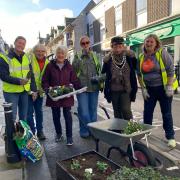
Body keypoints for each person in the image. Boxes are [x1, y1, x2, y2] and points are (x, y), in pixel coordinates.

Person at [137, 34, 178, 148]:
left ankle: (170, 137)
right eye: (147, 41)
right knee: (147, 112)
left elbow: (170, 70)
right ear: (144, 43)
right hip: (150, 90)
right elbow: (139, 74)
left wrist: (169, 86)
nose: (149, 44)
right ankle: (146, 133)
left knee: (166, 113)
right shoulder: (141, 57)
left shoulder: (162, 53)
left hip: (163, 89)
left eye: (151, 42)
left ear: (156, 44)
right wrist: (143, 89)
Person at [42, 45, 80, 145]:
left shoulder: (69, 66)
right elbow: (45, 81)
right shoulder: (50, 66)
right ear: (56, 54)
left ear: (65, 54)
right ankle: (59, 134)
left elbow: (74, 80)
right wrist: (47, 90)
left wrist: (79, 87)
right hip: (54, 96)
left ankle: (69, 137)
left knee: (68, 116)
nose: (60, 55)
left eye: (63, 53)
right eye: (59, 53)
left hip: (66, 95)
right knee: (56, 116)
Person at [0, 36, 36, 121]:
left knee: (23, 117)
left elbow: (31, 75)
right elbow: (3, 76)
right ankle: (10, 134)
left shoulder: (26, 57)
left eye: (23, 44)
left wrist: (34, 90)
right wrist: (18, 81)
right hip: (11, 92)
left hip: (24, 92)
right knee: (11, 117)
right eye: (19, 43)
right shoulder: (5, 57)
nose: (21, 45)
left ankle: (22, 133)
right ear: (15, 43)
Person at [72, 35, 102, 138]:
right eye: (83, 43)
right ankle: (85, 129)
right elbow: (73, 70)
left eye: (87, 43)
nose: (85, 45)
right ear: (81, 45)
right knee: (84, 111)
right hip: (82, 88)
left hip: (94, 87)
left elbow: (100, 70)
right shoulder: (77, 56)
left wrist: (100, 79)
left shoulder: (96, 55)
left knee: (93, 111)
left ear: (90, 43)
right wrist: (81, 57)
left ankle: (93, 131)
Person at [102, 36, 137, 120]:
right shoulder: (109, 59)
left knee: (126, 109)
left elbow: (137, 67)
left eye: (120, 46)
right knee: (117, 111)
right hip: (113, 90)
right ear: (112, 47)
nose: (117, 49)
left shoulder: (129, 57)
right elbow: (103, 72)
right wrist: (106, 59)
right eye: (115, 47)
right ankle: (119, 130)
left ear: (123, 46)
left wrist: (133, 57)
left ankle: (130, 128)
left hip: (126, 89)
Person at [27, 44, 49, 140]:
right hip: (30, 92)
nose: (40, 53)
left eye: (42, 51)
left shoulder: (47, 62)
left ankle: (40, 131)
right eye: (38, 51)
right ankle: (32, 132)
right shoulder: (29, 60)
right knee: (29, 113)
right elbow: (26, 77)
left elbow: (47, 78)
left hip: (40, 92)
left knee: (39, 112)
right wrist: (31, 91)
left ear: (45, 52)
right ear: (34, 51)